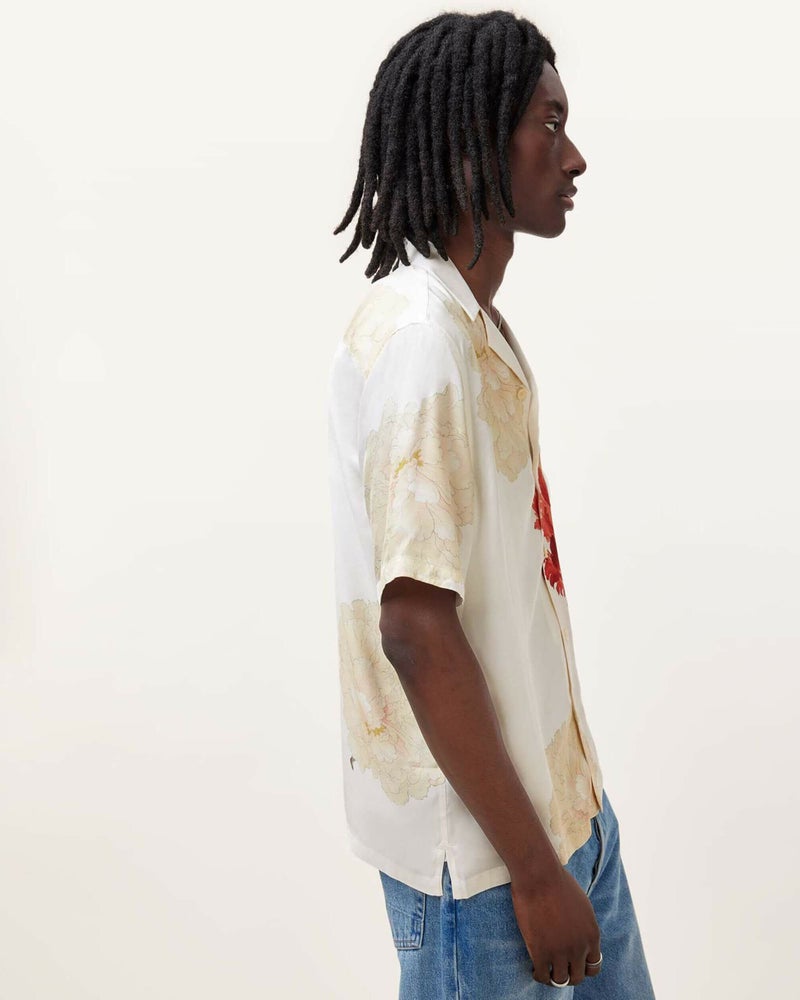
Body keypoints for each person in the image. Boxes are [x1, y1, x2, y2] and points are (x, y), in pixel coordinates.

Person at [326, 10, 656, 998]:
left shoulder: (472, 326)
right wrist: (535, 874)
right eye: (548, 125)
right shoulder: (422, 340)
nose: (574, 156)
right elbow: (415, 629)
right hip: (485, 872)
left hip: (563, 824)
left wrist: (567, 842)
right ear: (474, 139)